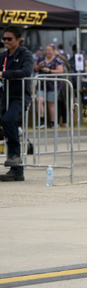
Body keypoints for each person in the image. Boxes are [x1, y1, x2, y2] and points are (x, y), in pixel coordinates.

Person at [0, 26, 34, 181]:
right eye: (4, 39)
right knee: (6, 125)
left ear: (18, 39)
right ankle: (16, 171)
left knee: (9, 120)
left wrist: (5, 74)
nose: (6, 41)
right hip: (3, 96)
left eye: (9, 39)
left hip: (19, 97)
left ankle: (15, 159)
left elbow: (26, 72)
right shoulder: (3, 56)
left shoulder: (25, 54)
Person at [33, 44, 66, 128]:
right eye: (46, 50)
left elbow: (60, 71)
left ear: (53, 51)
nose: (47, 52)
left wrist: (50, 71)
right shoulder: (41, 59)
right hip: (41, 84)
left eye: (49, 50)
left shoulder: (57, 60)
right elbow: (35, 69)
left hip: (53, 85)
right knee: (39, 100)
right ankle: (41, 120)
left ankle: (53, 122)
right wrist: (38, 67)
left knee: (51, 103)